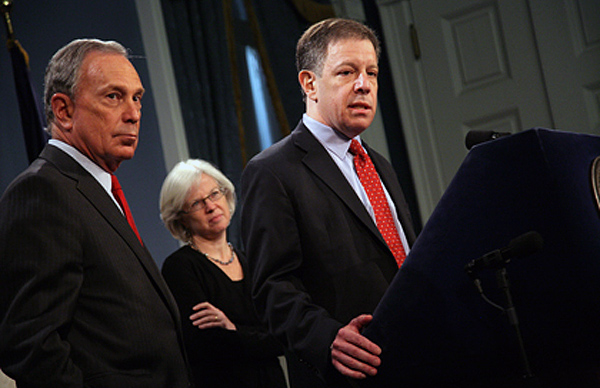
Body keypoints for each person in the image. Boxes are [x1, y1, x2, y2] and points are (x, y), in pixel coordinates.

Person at [0, 39, 191, 388]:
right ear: (64, 110)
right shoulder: (42, 192)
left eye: (137, 97)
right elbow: (32, 346)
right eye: (113, 96)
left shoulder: (95, 190)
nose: (133, 113)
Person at [240, 18, 417, 387]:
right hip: (349, 373)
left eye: (371, 72)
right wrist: (327, 337)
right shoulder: (272, 171)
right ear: (309, 84)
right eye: (347, 72)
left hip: (414, 357)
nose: (363, 85)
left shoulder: (378, 164)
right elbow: (271, 288)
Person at [159, 159, 288, 388]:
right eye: (197, 203)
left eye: (214, 194)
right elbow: (208, 345)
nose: (211, 206)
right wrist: (257, 337)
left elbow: (284, 337)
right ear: (181, 218)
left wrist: (233, 329)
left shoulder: (252, 260)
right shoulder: (180, 268)